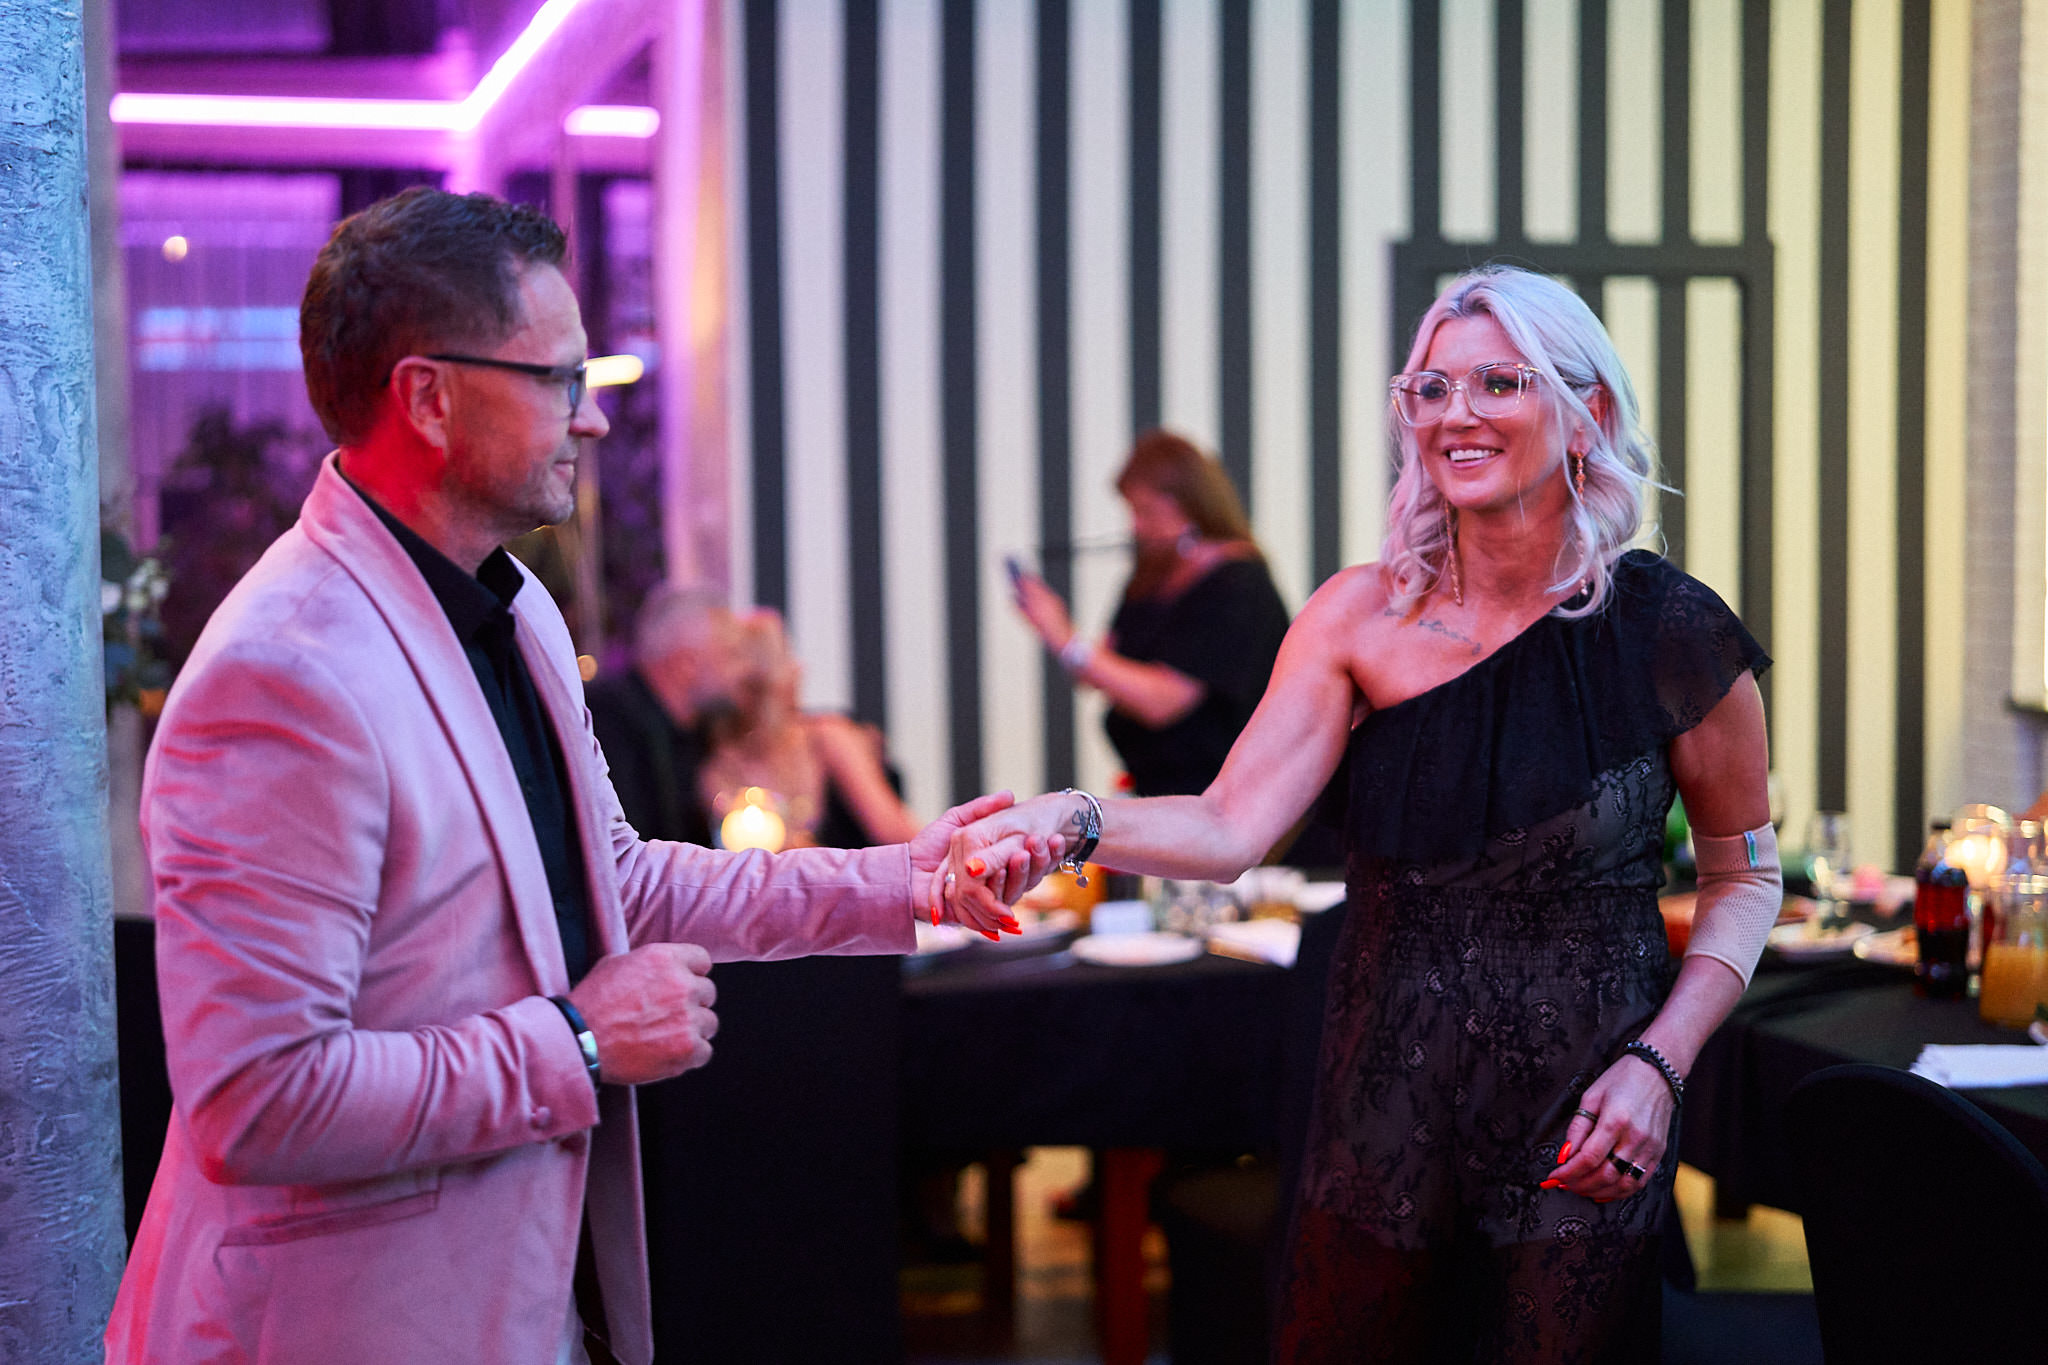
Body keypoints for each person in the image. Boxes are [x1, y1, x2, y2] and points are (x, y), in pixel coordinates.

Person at [103, 187, 1042, 1365]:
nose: (592, 419)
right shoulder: (282, 673)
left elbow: (616, 882)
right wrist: (580, 1044)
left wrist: (903, 880)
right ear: (427, 398)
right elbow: (261, 1100)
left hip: (512, 1292)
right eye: (561, 379)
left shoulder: (516, 609)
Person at [944, 266, 1782, 1362]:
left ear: (1587, 414)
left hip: (1583, 1120)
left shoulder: (1670, 632)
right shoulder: (1358, 613)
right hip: (1382, 1119)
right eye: (1430, 388)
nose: (1455, 413)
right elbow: (1229, 825)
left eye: (1498, 382)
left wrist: (1661, 1064)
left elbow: (1742, 875)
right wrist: (1067, 817)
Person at [1010, 428, 1291, 798]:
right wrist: (1054, 629)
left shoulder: (1239, 585)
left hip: (1223, 799)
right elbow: (1101, 667)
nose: (1137, 526)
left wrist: (1066, 639)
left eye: (1147, 511)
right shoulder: (1154, 573)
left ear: (1190, 506)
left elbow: (1163, 702)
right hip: (1158, 790)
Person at [698, 609, 922, 848]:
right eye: (785, 658)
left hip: (856, 872)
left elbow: (898, 834)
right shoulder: (717, 769)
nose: (799, 668)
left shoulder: (828, 736)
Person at [584, 584, 742, 848]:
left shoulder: (700, 733)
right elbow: (626, 850)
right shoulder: (608, 723)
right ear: (687, 664)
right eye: (732, 655)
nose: (743, 671)